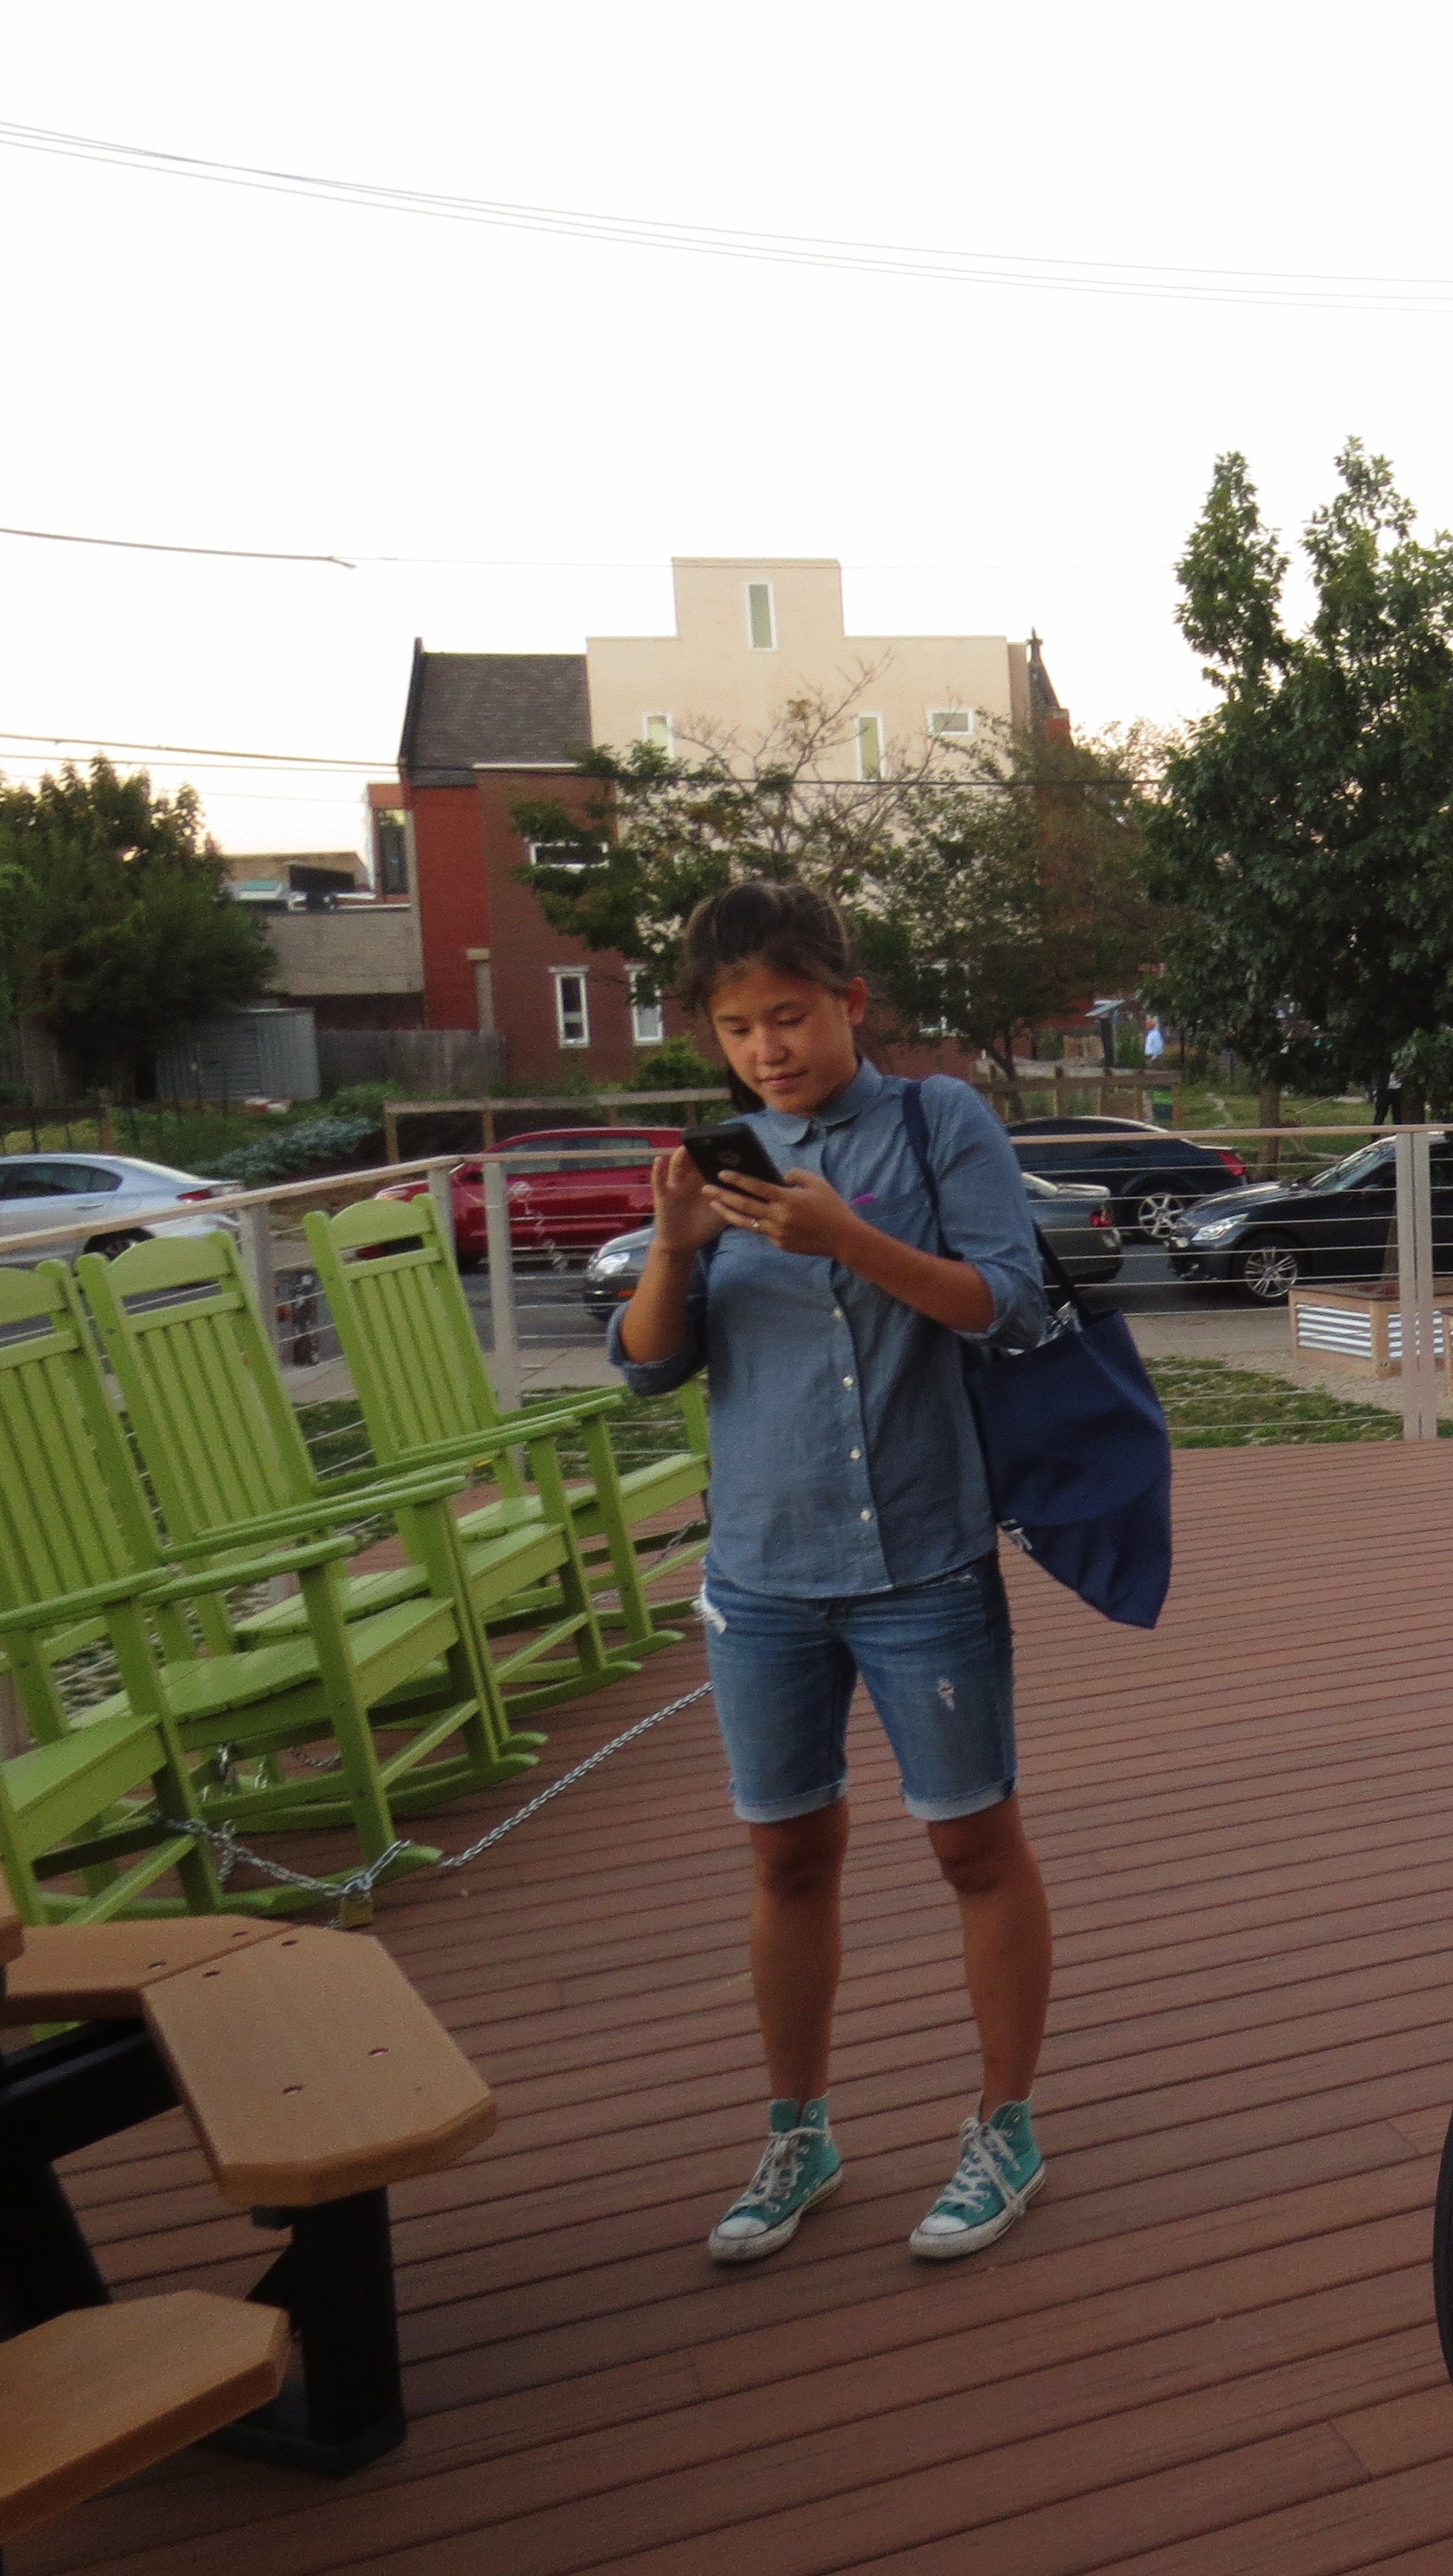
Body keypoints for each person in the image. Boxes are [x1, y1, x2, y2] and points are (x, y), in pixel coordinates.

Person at [611, 881, 1060, 2267]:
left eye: (790, 1017)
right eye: (737, 1028)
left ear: (851, 1004)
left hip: (921, 1552)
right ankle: (798, 2129)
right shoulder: (713, 1163)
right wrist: (676, 1253)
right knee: (787, 1856)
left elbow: (1012, 1298)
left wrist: (848, 1239)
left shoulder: (940, 1122)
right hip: (761, 1573)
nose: (767, 1052)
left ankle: (1005, 2125)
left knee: (970, 1846)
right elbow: (645, 1366)